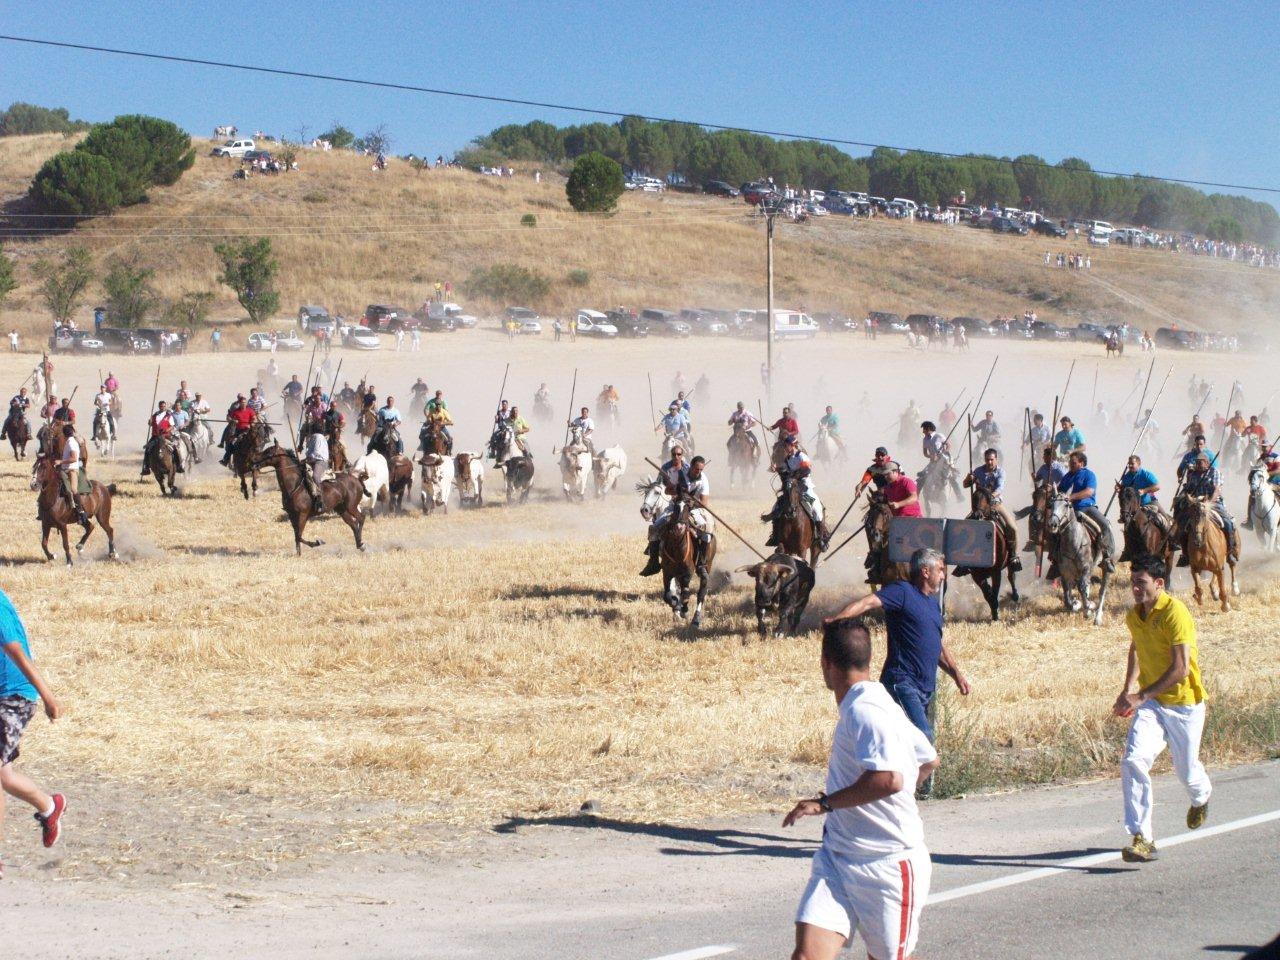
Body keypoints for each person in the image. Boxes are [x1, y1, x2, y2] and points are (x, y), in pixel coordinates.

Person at [783, 618, 938, 960]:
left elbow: (889, 779)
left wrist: (824, 804)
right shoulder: (877, 703)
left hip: (887, 866)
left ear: (826, 664)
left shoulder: (866, 710)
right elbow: (927, 759)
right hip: (839, 857)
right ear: (869, 661)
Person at [1111, 556, 1210, 863]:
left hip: (1185, 705)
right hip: (1152, 704)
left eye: (1140, 583)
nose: (1135, 589)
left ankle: (1201, 797)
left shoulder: (1175, 613)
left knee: (1187, 771)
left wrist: (1140, 696)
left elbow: (1180, 669)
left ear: (1159, 584)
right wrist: (1129, 689)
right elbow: (1137, 647)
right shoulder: (1135, 616)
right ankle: (1142, 837)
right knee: (1133, 760)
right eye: (1132, 583)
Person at [824, 548, 971, 753]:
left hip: (924, 688)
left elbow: (935, 645)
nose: (943, 575)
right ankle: (901, 783)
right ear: (925, 571)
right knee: (923, 738)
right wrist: (838, 620)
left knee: (909, 743)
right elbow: (868, 602)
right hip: (902, 682)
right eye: (940, 569)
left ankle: (900, 783)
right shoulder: (902, 592)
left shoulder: (932, 605)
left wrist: (957, 674)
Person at [1, 587, 67, 875]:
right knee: (5, 775)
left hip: (14, 696)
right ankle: (49, 806)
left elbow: (15, 649)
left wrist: (48, 696)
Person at [641, 447, 714, 575]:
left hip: (695, 510)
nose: (698, 472)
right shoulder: (679, 473)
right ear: (691, 466)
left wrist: (691, 501)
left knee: (706, 533)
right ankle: (653, 563)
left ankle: (701, 564)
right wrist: (676, 489)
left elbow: (704, 502)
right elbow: (667, 490)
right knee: (654, 527)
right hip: (676, 505)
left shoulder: (703, 479)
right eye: (696, 469)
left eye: (701, 470)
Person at [956, 448, 1022, 573]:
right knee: (964, 529)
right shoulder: (978, 471)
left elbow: (999, 489)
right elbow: (965, 485)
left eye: (992, 459)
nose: (989, 462)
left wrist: (989, 497)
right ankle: (964, 562)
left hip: (995, 505)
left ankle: (1013, 556)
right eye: (987, 460)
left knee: (1012, 527)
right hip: (980, 508)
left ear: (996, 459)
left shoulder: (1000, 472)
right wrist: (969, 478)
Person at [761, 435, 830, 548]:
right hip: (792, 488)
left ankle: (821, 536)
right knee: (776, 507)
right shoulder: (788, 459)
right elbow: (784, 471)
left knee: (816, 507)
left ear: (792, 445)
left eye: (786, 445)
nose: (785, 447)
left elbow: (806, 470)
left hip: (804, 489)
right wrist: (776, 469)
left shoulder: (801, 456)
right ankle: (774, 536)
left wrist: (793, 476)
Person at [1175, 452, 1239, 565]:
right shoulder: (1193, 474)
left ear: (1207, 463)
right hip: (1195, 504)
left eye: (1201, 462)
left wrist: (1209, 502)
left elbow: (1217, 490)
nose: (1198, 464)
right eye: (1197, 462)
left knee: (1228, 523)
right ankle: (1185, 555)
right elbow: (1188, 488)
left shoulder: (1215, 472)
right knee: (1181, 524)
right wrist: (1185, 496)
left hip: (1213, 503)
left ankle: (1230, 552)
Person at [1058, 451, 1116, 570]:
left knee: (1106, 525)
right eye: (1070, 462)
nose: (1070, 465)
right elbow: (1060, 491)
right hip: (1070, 510)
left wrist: (1071, 497)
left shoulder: (1089, 475)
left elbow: (1089, 491)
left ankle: (1107, 557)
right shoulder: (1067, 476)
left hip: (1087, 508)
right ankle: (1055, 558)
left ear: (1081, 463)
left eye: (1073, 463)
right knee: (1054, 527)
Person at [1117, 454, 1167, 561]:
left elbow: (1157, 486)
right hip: (1135, 507)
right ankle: (1128, 549)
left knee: (1163, 519)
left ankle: (1171, 542)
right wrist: (1119, 488)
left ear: (1138, 464)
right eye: (1129, 463)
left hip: (1149, 502)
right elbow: (1125, 491)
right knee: (1127, 525)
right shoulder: (1126, 477)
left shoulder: (1146, 474)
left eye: (1132, 464)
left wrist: (1144, 490)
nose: (1130, 466)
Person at [57, 424, 89, 523]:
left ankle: (81, 511)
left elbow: (74, 458)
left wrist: (60, 462)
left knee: (73, 489)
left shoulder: (71, 443)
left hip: (71, 470)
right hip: (66, 469)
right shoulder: (69, 442)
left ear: (64, 434)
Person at [141, 400, 177, 477]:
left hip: (165, 436)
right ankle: (146, 467)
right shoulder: (154, 415)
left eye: (164, 406)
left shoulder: (168, 416)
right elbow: (150, 424)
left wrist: (167, 430)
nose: (162, 408)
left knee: (175, 448)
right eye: (161, 406)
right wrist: (149, 422)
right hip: (155, 436)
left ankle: (178, 464)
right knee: (147, 449)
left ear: (165, 407)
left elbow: (172, 426)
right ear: (159, 406)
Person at [219, 396, 256, 466]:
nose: (243, 404)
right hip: (238, 431)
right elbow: (228, 418)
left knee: (256, 443)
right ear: (240, 403)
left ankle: (256, 462)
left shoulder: (250, 410)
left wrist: (251, 424)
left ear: (246, 403)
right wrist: (233, 420)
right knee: (231, 444)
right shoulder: (236, 411)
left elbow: (254, 418)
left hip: (248, 430)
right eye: (242, 403)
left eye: (245, 402)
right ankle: (225, 460)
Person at [304, 427, 329, 491]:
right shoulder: (313, 437)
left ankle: (321, 493)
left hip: (320, 461)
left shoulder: (318, 437)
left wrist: (308, 458)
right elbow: (309, 450)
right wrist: (306, 458)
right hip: (313, 460)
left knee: (315, 476)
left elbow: (317, 451)